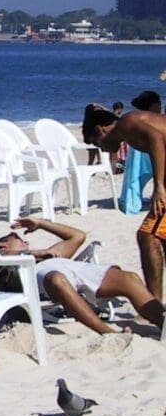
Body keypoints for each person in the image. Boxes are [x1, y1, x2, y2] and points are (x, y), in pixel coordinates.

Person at [0, 217, 164, 335]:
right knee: (57, 279)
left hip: (74, 270)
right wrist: (33, 254)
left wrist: (41, 223)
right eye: (17, 238)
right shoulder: (1, 264)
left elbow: (78, 236)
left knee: (130, 278)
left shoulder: (50, 254)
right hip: (44, 277)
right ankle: (108, 332)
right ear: (3, 245)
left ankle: (162, 323)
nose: (24, 240)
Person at [86, 106, 166, 301]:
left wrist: (159, 186)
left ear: (100, 130)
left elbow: (156, 140)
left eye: (97, 143)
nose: (102, 149)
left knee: (148, 236)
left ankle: (154, 305)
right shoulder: (130, 128)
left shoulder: (126, 123)